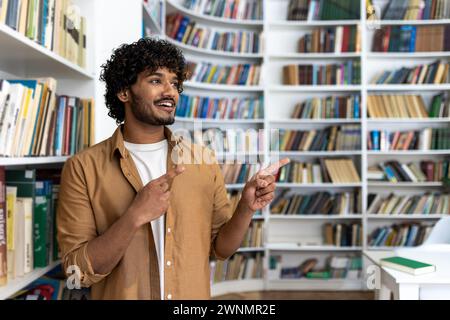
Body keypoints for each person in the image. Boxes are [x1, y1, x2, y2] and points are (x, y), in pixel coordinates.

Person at [57, 38, 289, 300]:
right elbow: (76, 271)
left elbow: (222, 249)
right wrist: (135, 215)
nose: (171, 92)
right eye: (156, 81)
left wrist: (246, 207)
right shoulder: (82, 168)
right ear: (124, 92)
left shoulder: (202, 160)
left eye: (175, 83)